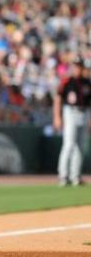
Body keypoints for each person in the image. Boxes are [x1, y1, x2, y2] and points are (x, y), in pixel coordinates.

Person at [53, 56, 91, 186]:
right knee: (69, 145)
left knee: (81, 147)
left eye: (80, 66)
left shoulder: (87, 82)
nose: (78, 68)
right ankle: (63, 176)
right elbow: (58, 99)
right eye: (76, 66)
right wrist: (57, 117)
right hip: (70, 112)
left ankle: (75, 176)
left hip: (85, 112)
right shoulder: (67, 81)